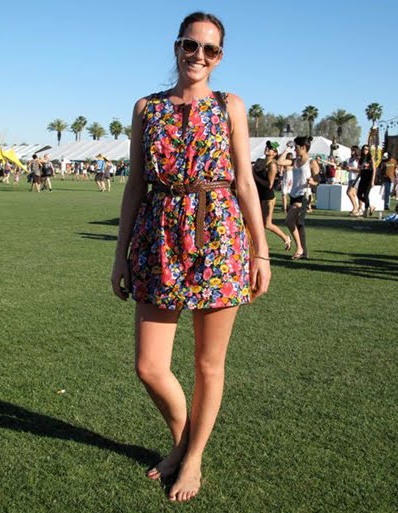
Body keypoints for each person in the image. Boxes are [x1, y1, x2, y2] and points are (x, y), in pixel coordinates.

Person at [111, 11, 271, 503]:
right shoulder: (147, 108)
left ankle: (193, 457)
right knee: (149, 365)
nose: (198, 55)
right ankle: (183, 440)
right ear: (177, 46)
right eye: (190, 45)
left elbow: (245, 183)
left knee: (208, 364)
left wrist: (261, 251)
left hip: (219, 236)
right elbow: (135, 185)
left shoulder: (230, 106)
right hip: (157, 238)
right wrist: (120, 255)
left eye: (210, 49)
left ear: (219, 57)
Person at [277, 136, 320, 259]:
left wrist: (312, 181)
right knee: (299, 225)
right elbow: (279, 162)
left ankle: (299, 248)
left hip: (304, 196)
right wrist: (287, 149)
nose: (294, 150)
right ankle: (304, 252)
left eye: (296, 147)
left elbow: (317, 181)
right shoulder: (294, 161)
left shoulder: (311, 162)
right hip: (293, 195)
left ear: (303, 147)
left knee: (289, 221)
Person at [253, 141, 291, 250]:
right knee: (254, 221)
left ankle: (286, 238)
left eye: (270, 148)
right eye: (267, 146)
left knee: (267, 224)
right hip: (257, 195)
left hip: (267, 198)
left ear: (275, 153)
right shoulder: (259, 161)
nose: (267, 148)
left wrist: (254, 176)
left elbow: (269, 185)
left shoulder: (272, 165)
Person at [357, 144, 376, 217]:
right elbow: (360, 171)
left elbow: (374, 169)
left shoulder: (371, 158)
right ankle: (371, 206)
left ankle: (366, 211)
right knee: (359, 195)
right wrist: (355, 181)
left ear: (369, 150)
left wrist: (372, 180)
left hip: (369, 178)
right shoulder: (361, 159)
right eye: (364, 149)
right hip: (363, 178)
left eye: (366, 149)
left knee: (366, 195)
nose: (365, 150)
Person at [345, 145, 360, 215]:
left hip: (356, 178)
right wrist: (347, 168)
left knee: (349, 193)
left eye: (353, 150)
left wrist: (351, 168)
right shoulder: (350, 159)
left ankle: (355, 208)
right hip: (350, 177)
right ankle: (370, 206)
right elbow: (348, 168)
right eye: (351, 150)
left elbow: (360, 170)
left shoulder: (358, 159)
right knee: (354, 194)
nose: (352, 151)